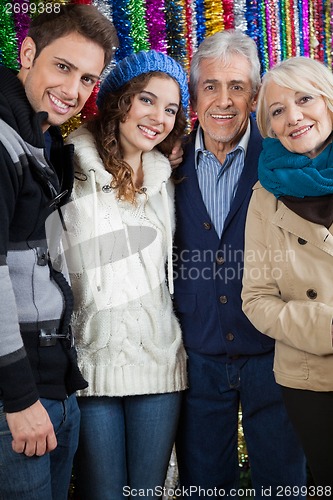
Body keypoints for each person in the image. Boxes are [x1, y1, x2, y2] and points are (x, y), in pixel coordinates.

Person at [172, 30, 306, 498]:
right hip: (199, 351)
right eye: (211, 86)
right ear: (194, 95)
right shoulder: (165, 160)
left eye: (237, 87)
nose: (224, 101)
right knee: (205, 485)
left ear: (253, 95)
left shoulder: (283, 157)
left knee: (285, 484)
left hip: (276, 354)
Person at [59, 49, 188, 499]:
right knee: (104, 493)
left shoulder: (165, 179)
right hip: (91, 364)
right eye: (147, 101)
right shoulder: (68, 166)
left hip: (159, 362)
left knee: (148, 492)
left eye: (170, 108)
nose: (159, 117)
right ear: (118, 101)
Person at [0, 5, 117, 499]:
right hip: (18, 398)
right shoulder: (4, 142)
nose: (74, 90)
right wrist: (20, 398)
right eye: (63, 67)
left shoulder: (41, 139)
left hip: (54, 384)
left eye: (88, 78)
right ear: (27, 53)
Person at [242, 56, 333, 492]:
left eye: (305, 99)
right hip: (311, 379)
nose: (294, 116)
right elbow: (256, 298)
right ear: (269, 128)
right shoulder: (264, 196)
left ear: (329, 102)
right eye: (277, 111)